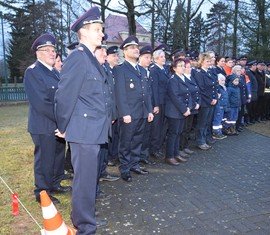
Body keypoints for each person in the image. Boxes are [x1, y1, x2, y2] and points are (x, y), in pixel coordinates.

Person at [54, 7, 110, 234]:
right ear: (83, 32)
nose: (102, 34)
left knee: (88, 180)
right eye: (97, 29)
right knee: (84, 182)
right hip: (84, 130)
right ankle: (85, 226)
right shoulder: (78, 58)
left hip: (92, 130)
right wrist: (62, 126)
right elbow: (64, 95)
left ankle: (85, 219)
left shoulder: (90, 58)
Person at [24, 33, 71, 205]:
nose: (52, 53)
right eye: (47, 50)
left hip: (58, 124)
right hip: (43, 125)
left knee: (58, 155)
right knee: (45, 158)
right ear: (38, 53)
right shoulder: (33, 72)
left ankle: (55, 183)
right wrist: (62, 120)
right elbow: (41, 103)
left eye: (53, 50)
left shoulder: (55, 73)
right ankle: (42, 192)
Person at [114, 35, 153, 182]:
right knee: (126, 141)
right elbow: (120, 94)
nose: (136, 50)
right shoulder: (120, 70)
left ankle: (134, 164)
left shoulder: (142, 70)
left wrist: (149, 110)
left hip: (142, 112)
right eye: (132, 48)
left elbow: (147, 92)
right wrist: (124, 113)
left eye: (137, 47)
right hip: (129, 113)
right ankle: (124, 168)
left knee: (138, 140)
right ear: (124, 51)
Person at [164, 58, 192, 165]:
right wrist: (184, 109)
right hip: (174, 112)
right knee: (173, 134)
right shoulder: (173, 80)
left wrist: (189, 107)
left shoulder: (183, 78)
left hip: (182, 111)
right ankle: (169, 156)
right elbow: (175, 97)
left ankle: (176, 154)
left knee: (178, 133)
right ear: (174, 68)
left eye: (184, 65)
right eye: (180, 65)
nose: (183, 67)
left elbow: (188, 94)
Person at [193, 52, 218, 150]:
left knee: (207, 122)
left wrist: (215, 97)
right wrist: (210, 99)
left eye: (210, 61)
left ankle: (205, 138)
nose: (209, 63)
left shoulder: (210, 72)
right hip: (204, 102)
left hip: (212, 101)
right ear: (201, 62)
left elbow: (215, 86)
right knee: (202, 123)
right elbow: (201, 89)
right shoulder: (199, 73)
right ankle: (200, 141)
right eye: (207, 61)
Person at [149, 46, 170, 159]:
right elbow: (154, 89)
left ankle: (159, 147)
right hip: (159, 103)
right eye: (161, 57)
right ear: (156, 59)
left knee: (163, 126)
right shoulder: (154, 70)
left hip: (165, 102)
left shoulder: (164, 69)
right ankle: (154, 149)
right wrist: (155, 105)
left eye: (164, 56)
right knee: (156, 127)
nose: (163, 58)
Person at [138, 45, 155, 165]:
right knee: (139, 136)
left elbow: (149, 93)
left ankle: (143, 155)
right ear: (140, 58)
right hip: (139, 109)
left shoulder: (147, 71)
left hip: (148, 108)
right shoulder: (138, 71)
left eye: (150, 57)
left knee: (146, 134)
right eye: (147, 57)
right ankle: (138, 157)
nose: (150, 60)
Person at [106, 45, 120, 167]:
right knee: (109, 136)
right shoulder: (105, 70)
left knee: (116, 134)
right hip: (109, 110)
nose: (117, 57)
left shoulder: (116, 70)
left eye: (117, 55)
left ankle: (114, 155)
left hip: (117, 110)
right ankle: (109, 157)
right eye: (114, 55)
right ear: (107, 56)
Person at [212, 73, 228, 139]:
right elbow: (217, 98)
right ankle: (215, 133)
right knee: (217, 120)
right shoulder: (218, 88)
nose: (223, 82)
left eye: (224, 80)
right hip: (219, 107)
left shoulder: (224, 88)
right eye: (222, 80)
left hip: (223, 106)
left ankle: (220, 132)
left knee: (220, 120)